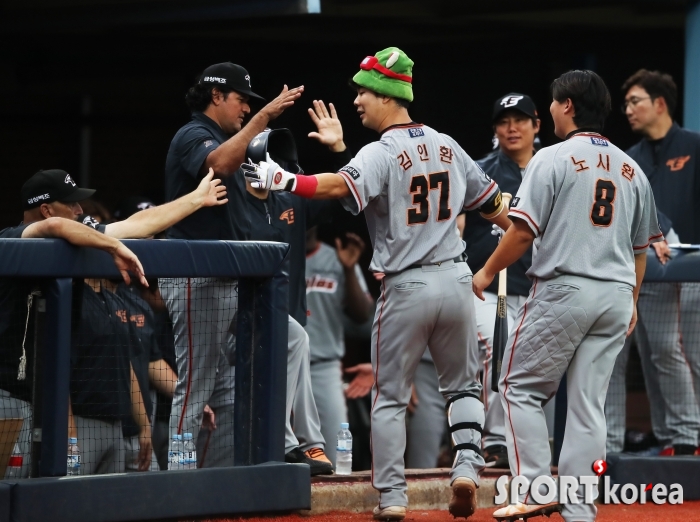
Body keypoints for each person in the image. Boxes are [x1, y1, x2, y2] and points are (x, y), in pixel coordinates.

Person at [243, 46, 512, 521]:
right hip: (455, 280)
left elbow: (334, 187)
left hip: (407, 286)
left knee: (389, 397)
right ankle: (467, 466)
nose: (358, 100)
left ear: (388, 95)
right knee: (465, 390)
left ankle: (391, 498)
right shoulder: (448, 144)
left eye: (365, 91)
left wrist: (284, 179)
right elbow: (495, 209)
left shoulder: (383, 150)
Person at [472, 70, 662, 522]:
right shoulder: (632, 167)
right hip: (616, 295)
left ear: (569, 107)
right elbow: (641, 252)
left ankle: (534, 491)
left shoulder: (553, 157)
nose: (552, 109)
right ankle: (580, 509)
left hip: (565, 289)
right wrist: (631, 300)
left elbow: (521, 234)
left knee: (518, 388)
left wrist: (484, 274)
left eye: (555, 103)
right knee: (587, 406)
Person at [159, 62, 336, 472]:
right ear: (216, 96)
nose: (246, 109)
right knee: (197, 386)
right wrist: (264, 118)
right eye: (241, 100)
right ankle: (175, 479)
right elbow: (218, 165)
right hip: (194, 273)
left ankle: (275, 448)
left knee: (290, 339)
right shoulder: (194, 133)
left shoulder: (233, 142)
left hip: (232, 280)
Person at [0, 167, 227, 476]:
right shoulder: (12, 239)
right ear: (46, 208)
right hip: (7, 396)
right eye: (72, 204)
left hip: (39, 401)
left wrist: (196, 199)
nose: (80, 210)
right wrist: (112, 246)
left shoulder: (76, 236)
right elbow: (54, 226)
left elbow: (138, 225)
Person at [610, 69, 700, 455]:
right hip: (647, 267)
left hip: (692, 267)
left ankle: (687, 434)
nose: (628, 109)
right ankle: (675, 438)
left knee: (685, 351)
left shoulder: (695, 146)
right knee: (653, 351)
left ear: (659, 104)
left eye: (635, 101)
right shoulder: (630, 158)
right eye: (626, 103)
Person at [304, 226, 373, 466]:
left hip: (324, 366)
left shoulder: (336, 257)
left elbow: (363, 314)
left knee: (337, 454)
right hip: (280, 369)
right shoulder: (278, 255)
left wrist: (349, 269)